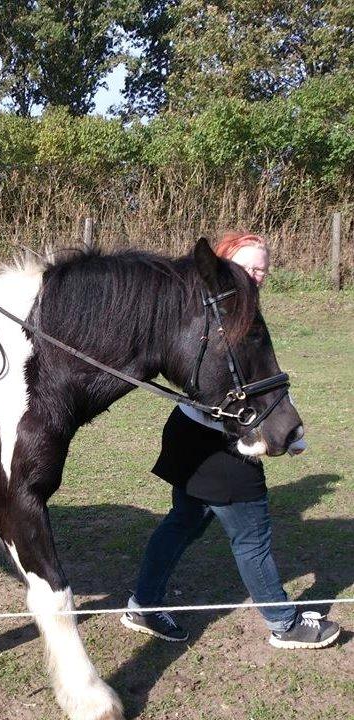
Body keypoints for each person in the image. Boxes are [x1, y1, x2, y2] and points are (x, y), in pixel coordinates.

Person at [120, 231, 341, 649]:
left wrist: (286, 424)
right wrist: (271, 430)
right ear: (221, 264)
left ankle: (144, 603)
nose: (255, 274)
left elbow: (258, 377)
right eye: (246, 266)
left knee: (184, 520)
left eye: (262, 268)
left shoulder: (227, 308)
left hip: (190, 434)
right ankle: (283, 623)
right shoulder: (212, 312)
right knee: (252, 535)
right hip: (215, 441)